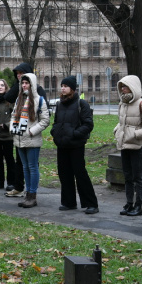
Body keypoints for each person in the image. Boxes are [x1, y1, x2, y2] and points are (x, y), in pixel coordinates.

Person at [50, 76, 99, 214]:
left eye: (65, 86)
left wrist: (74, 134)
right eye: (62, 85)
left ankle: (91, 203)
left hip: (76, 145)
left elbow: (88, 124)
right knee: (64, 174)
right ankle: (68, 202)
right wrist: (55, 133)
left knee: (80, 173)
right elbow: (56, 123)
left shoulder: (81, 104)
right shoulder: (60, 104)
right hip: (62, 144)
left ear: (72, 88)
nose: (63, 88)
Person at [4, 62, 48, 198]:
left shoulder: (39, 96)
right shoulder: (19, 97)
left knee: (32, 167)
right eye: (18, 76)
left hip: (31, 137)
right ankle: (23, 189)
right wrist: (13, 127)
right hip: (19, 137)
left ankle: (31, 193)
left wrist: (31, 131)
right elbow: (10, 104)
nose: (22, 83)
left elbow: (45, 119)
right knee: (23, 166)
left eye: (24, 80)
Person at [114, 75, 142, 218]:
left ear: (133, 87)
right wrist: (117, 131)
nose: (123, 89)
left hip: (137, 146)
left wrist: (135, 134)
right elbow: (120, 122)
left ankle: (138, 206)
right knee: (127, 176)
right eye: (121, 86)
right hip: (124, 145)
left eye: (125, 86)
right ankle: (129, 203)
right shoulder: (122, 104)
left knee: (138, 177)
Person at [0, 78, 15, 191]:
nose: (0, 87)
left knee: (9, 159)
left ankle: (11, 182)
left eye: (2, 85)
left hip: (7, 135)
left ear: (6, 88)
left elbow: (15, 117)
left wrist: (6, 124)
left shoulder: (10, 101)